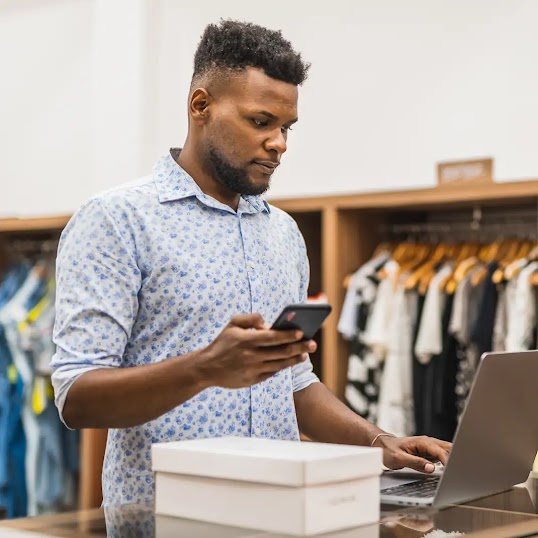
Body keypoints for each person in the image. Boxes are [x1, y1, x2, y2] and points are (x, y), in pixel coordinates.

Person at [51, 20, 451, 506]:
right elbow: (77, 396)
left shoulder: (283, 232)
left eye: (286, 128)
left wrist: (376, 441)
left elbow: (294, 380)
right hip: (166, 518)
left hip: (281, 513)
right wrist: (204, 368)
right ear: (201, 106)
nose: (279, 142)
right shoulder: (116, 219)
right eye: (261, 122)